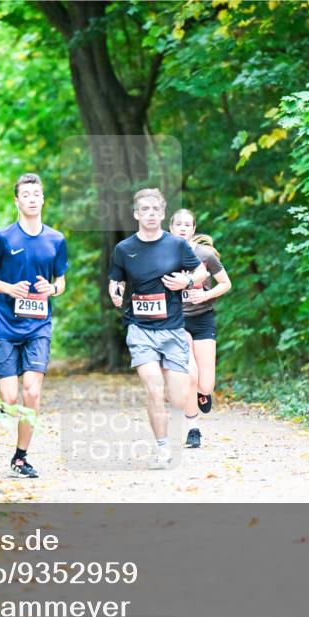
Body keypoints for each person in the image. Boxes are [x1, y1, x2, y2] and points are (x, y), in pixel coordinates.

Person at [0, 173, 68, 479]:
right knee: (11, 397)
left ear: (43, 199)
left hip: (39, 326)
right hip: (5, 325)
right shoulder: (4, 238)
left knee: (32, 393)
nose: (31, 198)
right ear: (17, 201)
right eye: (25, 194)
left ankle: (20, 458)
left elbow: (61, 280)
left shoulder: (56, 239)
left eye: (36, 194)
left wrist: (52, 289)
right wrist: (7, 288)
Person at [107, 188, 208, 467]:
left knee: (177, 397)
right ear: (136, 214)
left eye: (156, 210)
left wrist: (187, 283)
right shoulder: (124, 249)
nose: (150, 214)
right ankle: (163, 448)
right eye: (145, 210)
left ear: (163, 215)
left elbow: (201, 272)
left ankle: (178, 413)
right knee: (153, 387)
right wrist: (115, 291)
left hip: (173, 329)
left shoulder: (176, 245)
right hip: (140, 329)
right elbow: (116, 279)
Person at [169, 209, 232, 448]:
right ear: (171, 229)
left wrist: (206, 294)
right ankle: (193, 429)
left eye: (187, 225)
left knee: (205, 384)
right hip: (177, 322)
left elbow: (226, 284)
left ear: (193, 229)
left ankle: (200, 393)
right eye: (178, 224)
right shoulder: (163, 256)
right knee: (190, 375)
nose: (183, 228)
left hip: (204, 319)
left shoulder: (205, 255)